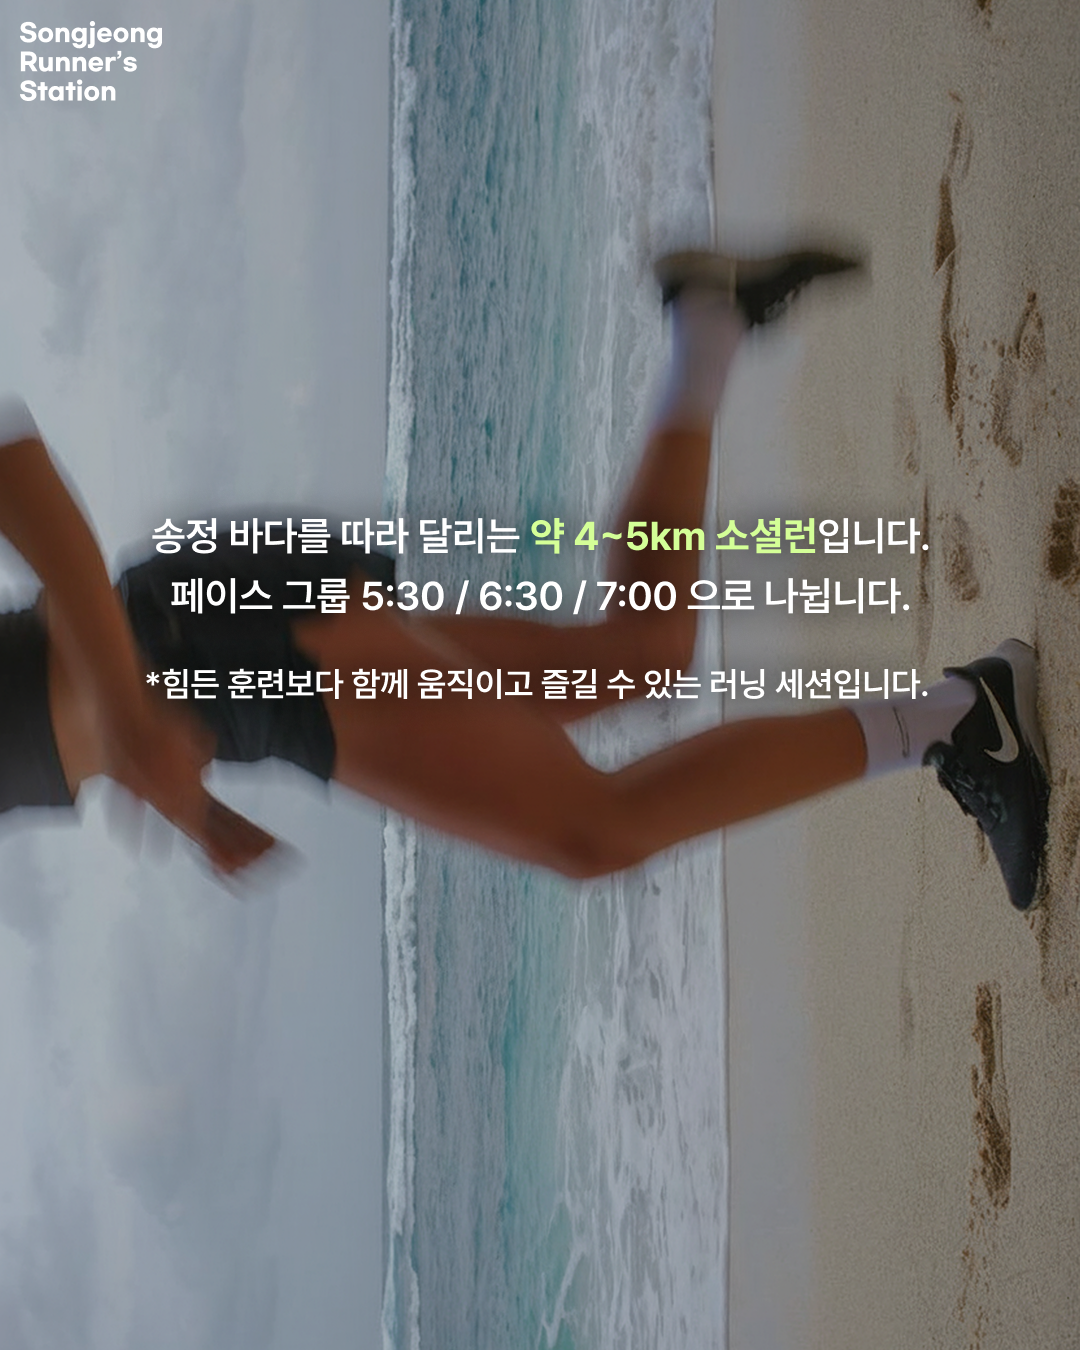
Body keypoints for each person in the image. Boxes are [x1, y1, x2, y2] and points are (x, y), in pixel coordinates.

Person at [0, 246, 1051, 910]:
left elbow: (15, 468)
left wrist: (133, 724)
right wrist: (167, 781)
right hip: (208, 654)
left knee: (592, 831)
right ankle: (710, 328)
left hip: (213, 653)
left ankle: (961, 719)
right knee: (632, 658)